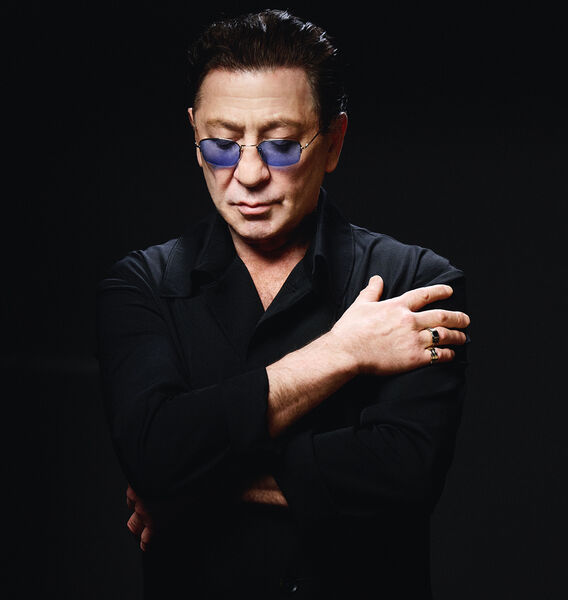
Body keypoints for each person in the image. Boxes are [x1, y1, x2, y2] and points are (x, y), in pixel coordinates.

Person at [96, 9, 470, 599]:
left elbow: (404, 475)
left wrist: (192, 482)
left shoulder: (415, 281)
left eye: (280, 145)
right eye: (222, 144)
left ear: (334, 142)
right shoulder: (142, 284)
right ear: (194, 136)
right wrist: (341, 353)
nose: (248, 174)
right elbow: (152, 449)